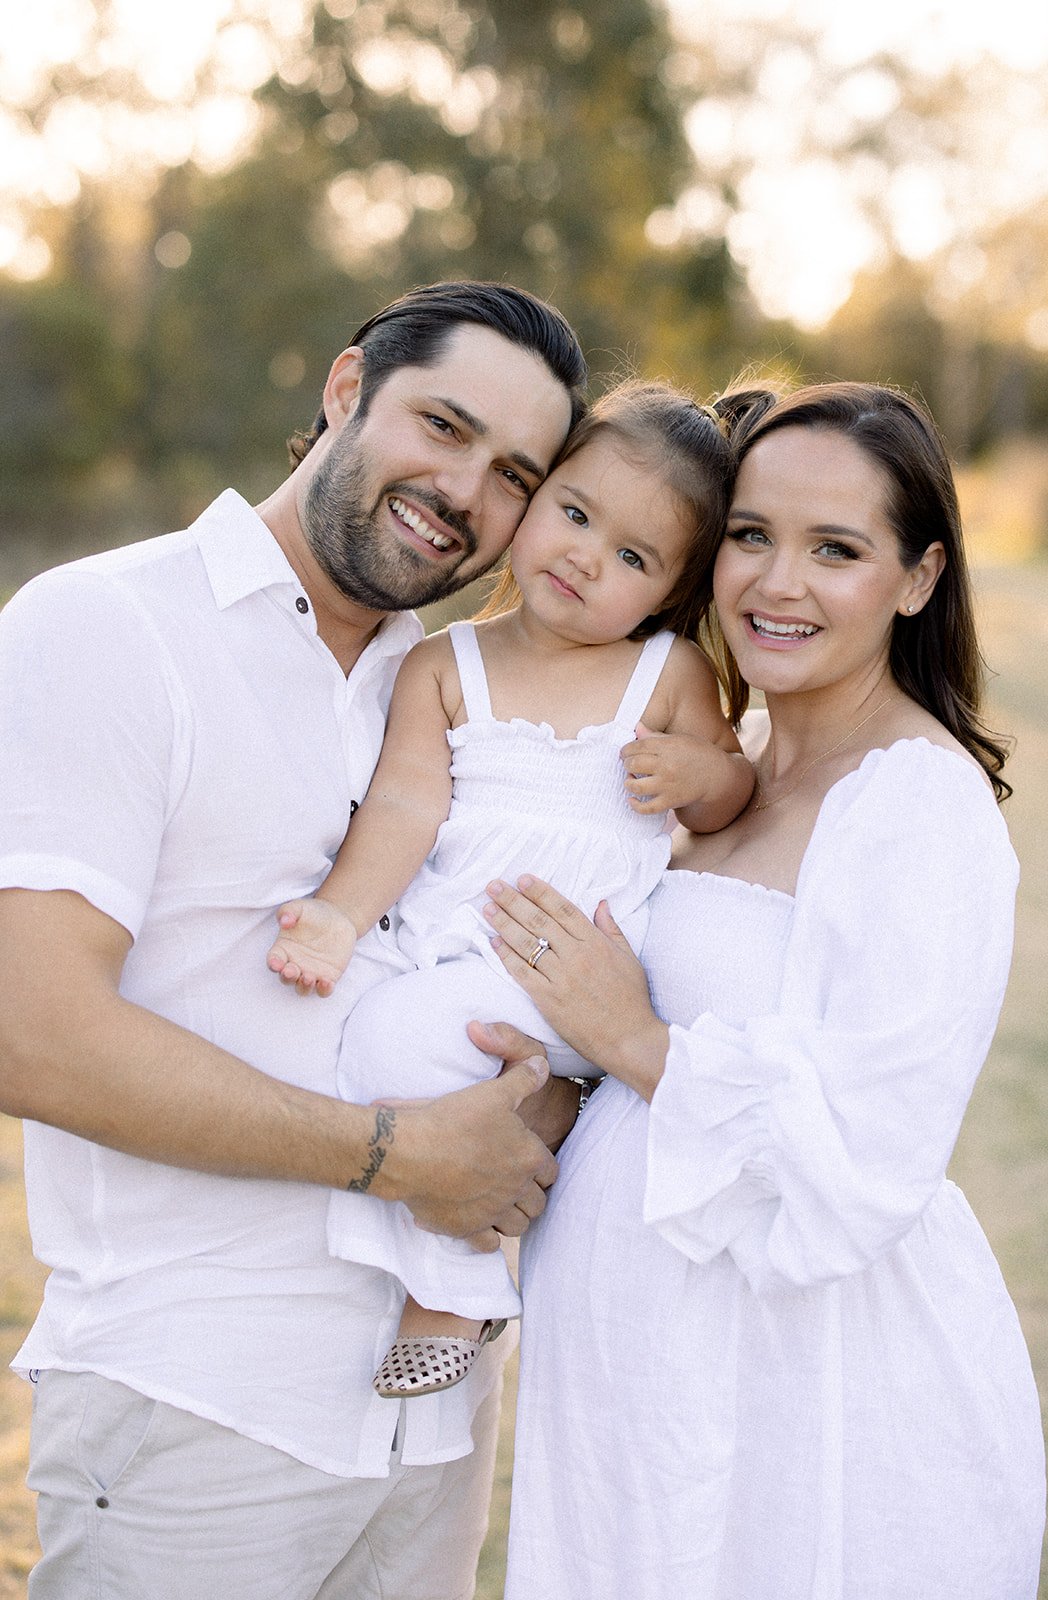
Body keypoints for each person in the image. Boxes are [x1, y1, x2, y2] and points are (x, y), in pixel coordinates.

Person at [0, 281, 591, 1600]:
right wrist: (399, 1158)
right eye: (441, 424)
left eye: (513, 475)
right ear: (344, 391)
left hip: (432, 1423)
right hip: (194, 1408)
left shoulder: (455, 692)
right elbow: (28, 1033)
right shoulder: (107, 627)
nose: (461, 490)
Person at [483, 382, 1046, 1598]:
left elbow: (870, 1154)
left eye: (834, 549)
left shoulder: (914, 805)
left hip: (817, 1410)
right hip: (645, 1403)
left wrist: (631, 1039)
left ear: (916, 577)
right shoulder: (716, 772)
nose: (775, 584)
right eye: (750, 535)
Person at [265, 381, 754, 1400]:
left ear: (670, 589)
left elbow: (728, 787)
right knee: (359, 1029)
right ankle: (543, 1120)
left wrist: (698, 776)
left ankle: (456, 1288)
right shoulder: (445, 663)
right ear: (534, 498)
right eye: (574, 514)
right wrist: (339, 914)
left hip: (580, 960)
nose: (584, 557)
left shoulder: (661, 672)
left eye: (632, 556)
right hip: (459, 944)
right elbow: (401, 808)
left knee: (390, 1042)